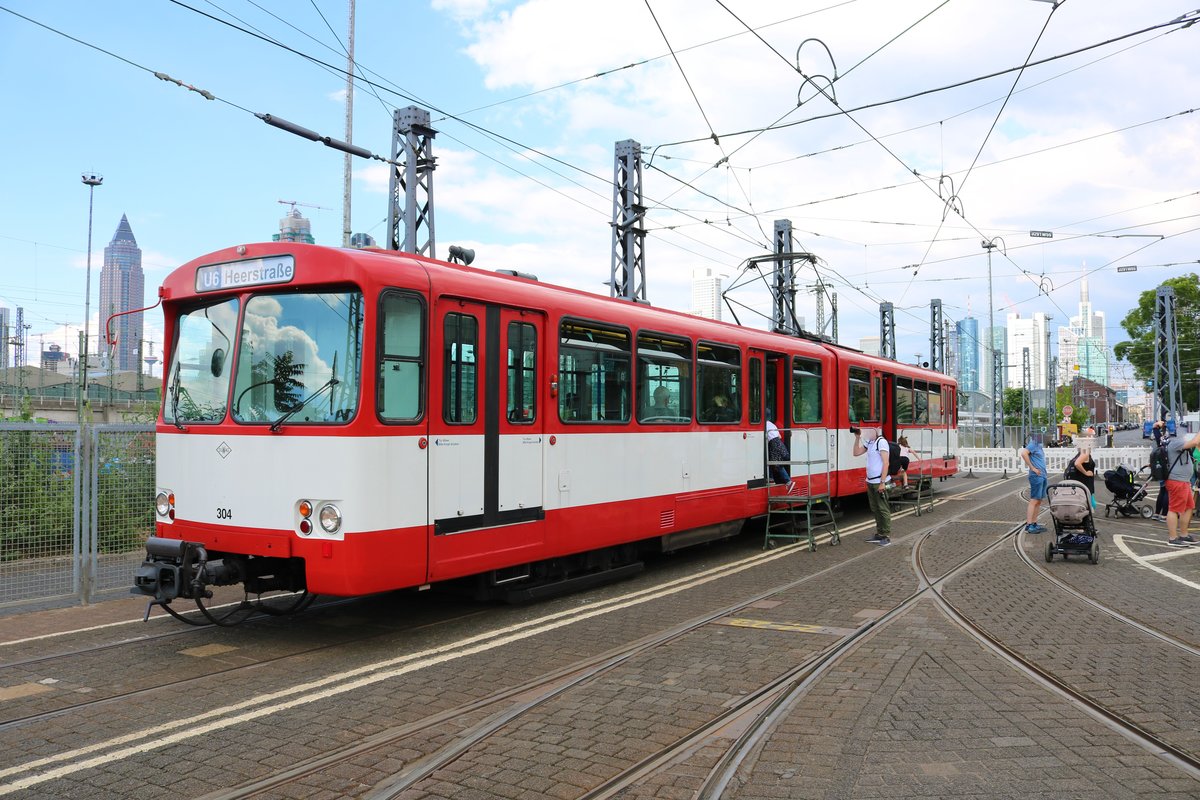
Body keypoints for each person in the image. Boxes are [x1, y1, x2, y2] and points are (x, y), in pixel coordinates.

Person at [1154, 420, 1200, 547]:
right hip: (1177, 481)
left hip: (1182, 481)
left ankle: (1184, 535)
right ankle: (1173, 538)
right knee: (1174, 509)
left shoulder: (1173, 441)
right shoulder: (1175, 442)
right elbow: (1195, 442)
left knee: (1189, 507)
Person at [853, 427, 891, 545]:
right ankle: (880, 533)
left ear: (876, 431)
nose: (867, 432)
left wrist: (882, 482)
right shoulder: (869, 443)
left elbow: (886, 463)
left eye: (870, 430)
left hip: (879, 482)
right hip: (870, 481)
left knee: (883, 509)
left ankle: (886, 535)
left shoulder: (881, 442)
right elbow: (856, 453)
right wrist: (857, 438)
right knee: (875, 508)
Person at [1019, 432, 1048, 534]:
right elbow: (1023, 453)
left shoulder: (1039, 445)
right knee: (1034, 500)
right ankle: (1029, 525)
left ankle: (1034, 523)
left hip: (1042, 475)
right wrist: (1032, 467)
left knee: (1038, 501)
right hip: (1037, 476)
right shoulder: (1033, 444)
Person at [765, 411, 793, 492]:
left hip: (773, 444)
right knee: (774, 462)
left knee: (775, 463)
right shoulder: (772, 424)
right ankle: (771, 479)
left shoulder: (764, 425)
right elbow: (779, 436)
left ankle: (787, 481)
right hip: (780, 443)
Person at [1070, 445, 1097, 509]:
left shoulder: (1081, 453)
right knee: (1090, 505)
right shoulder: (1085, 453)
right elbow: (1077, 463)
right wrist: (1086, 473)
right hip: (1085, 483)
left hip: (1082, 483)